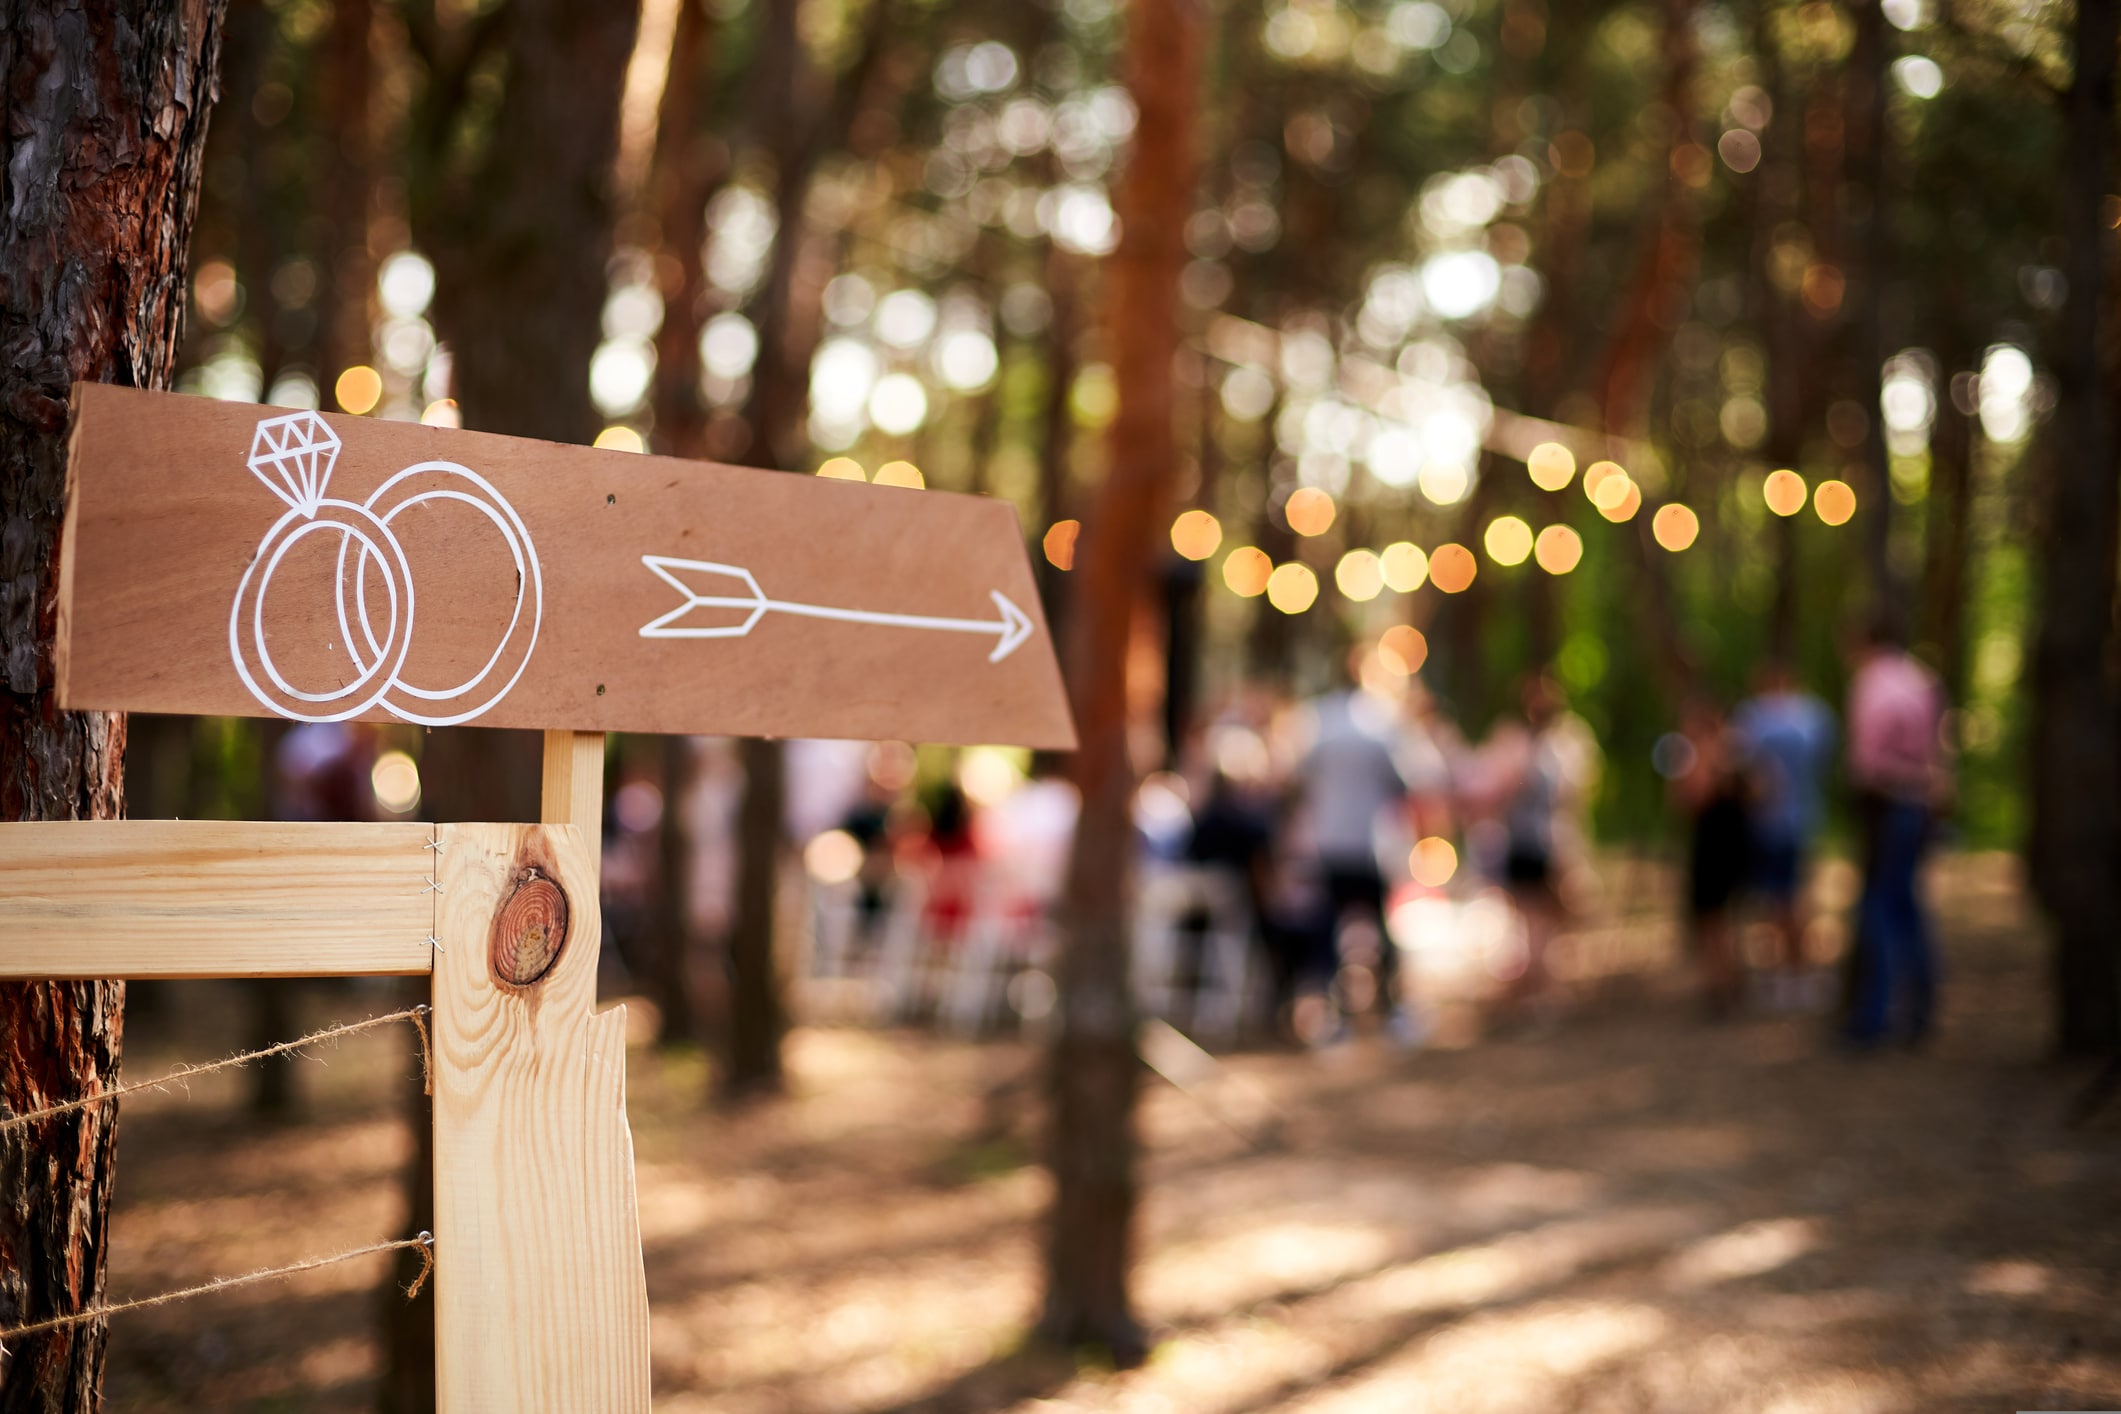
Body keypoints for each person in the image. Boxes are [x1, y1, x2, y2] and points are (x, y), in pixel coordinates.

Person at [1293, 653, 1421, 1045]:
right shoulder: (1382, 723)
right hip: (1370, 844)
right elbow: (1403, 781)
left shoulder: (1319, 722)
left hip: (1330, 842)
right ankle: (1393, 1012)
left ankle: (1332, 1017)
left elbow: (1299, 777)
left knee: (1330, 928)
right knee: (1380, 926)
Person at [1844, 620, 1950, 1048]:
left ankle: (1874, 1017)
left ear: (1862, 641)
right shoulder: (1923, 680)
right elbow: (1940, 754)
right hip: (1918, 807)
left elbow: (1866, 766)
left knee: (1880, 908)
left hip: (1886, 808)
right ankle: (1920, 1012)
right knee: (1907, 905)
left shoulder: (1871, 684)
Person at [1733, 660, 1838, 1010]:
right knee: (1791, 899)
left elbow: (1743, 769)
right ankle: (1793, 972)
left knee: (1778, 901)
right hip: (1801, 820)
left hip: (1771, 823)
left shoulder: (1754, 716)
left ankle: (1790, 973)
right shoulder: (1815, 715)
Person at [1670, 698, 1753, 1018]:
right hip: (1732, 849)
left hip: (1711, 850)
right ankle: (1731, 983)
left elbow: (1690, 799)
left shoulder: (1704, 756)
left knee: (1711, 922)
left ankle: (1720, 986)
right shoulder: (1738, 753)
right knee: (1725, 921)